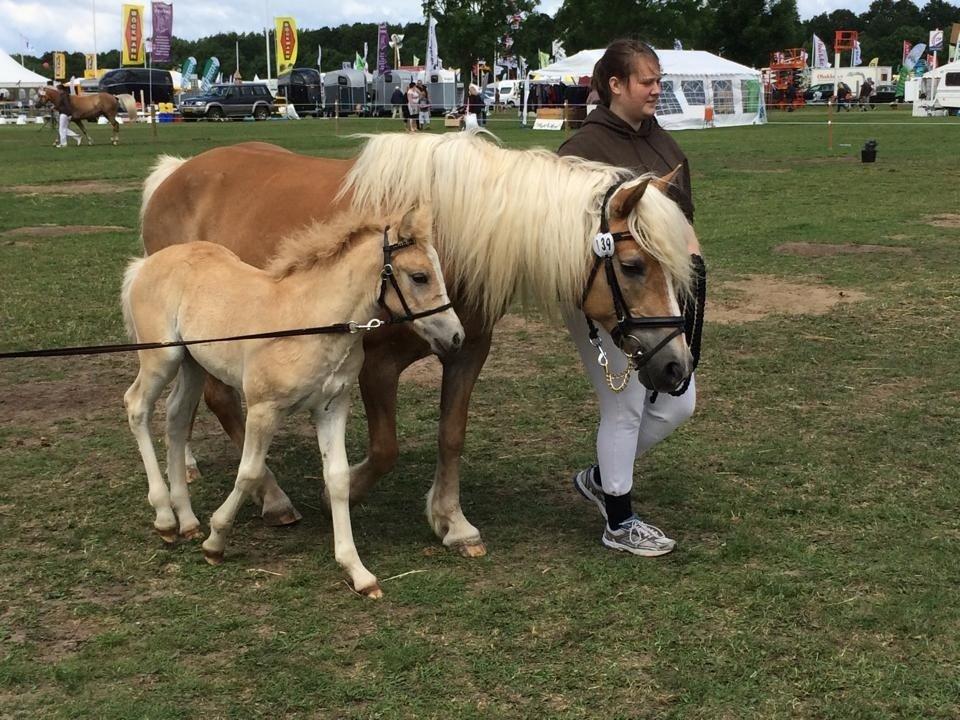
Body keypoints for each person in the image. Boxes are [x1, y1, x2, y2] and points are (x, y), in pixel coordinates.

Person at [557, 39, 703, 557]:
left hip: (654, 293)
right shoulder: (580, 152)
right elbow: (562, 237)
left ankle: (602, 476)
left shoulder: (663, 145)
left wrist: (691, 260)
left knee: (680, 399)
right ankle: (619, 521)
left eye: (659, 80)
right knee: (626, 404)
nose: (656, 90)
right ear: (615, 85)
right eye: (647, 81)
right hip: (605, 299)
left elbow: (680, 220)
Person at [51, 84, 81, 148]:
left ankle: (63, 144)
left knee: (61, 129)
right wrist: (55, 107)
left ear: (61, 89)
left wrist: (69, 114)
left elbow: (67, 105)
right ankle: (77, 136)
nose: (57, 91)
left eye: (58, 89)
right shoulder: (64, 95)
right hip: (65, 113)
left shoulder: (64, 96)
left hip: (64, 113)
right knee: (63, 129)